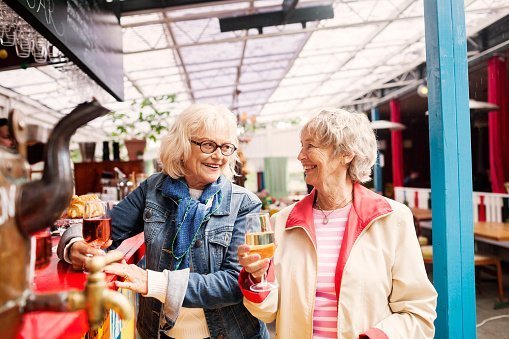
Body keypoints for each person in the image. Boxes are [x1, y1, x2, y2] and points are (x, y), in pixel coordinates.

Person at [58, 103, 269, 339]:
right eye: (208, 145)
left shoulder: (244, 203)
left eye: (226, 147)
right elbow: (104, 228)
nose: (219, 155)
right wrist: (74, 243)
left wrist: (153, 282)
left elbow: (233, 282)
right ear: (181, 145)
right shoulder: (153, 189)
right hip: (160, 333)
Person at [238, 108, 437, 338]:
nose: (300, 156)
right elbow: (267, 312)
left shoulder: (393, 219)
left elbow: (418, 312)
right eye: (301, 146)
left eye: (310, 146)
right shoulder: (281, 222)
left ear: (346, 153)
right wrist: (257, 277)